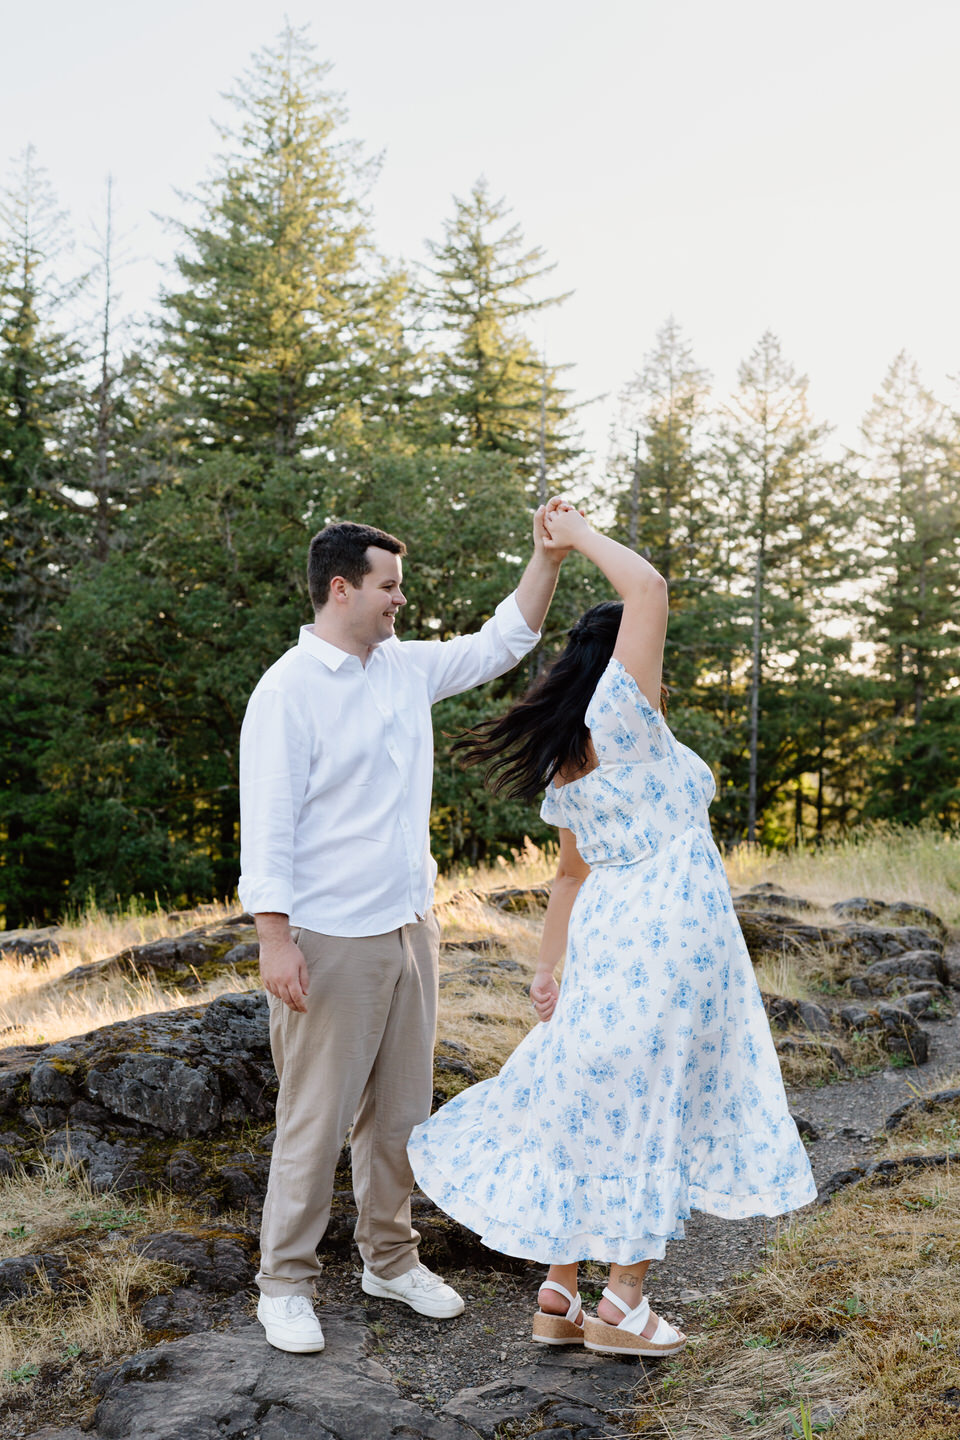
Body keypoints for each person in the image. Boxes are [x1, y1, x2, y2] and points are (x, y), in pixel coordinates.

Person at [407, 498, 817, 1359]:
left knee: (592, 1105)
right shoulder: (625, 716)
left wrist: (547, 968)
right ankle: (623, 1304)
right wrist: (576, 535)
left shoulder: (571, 759)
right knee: (649, 1111)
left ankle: (560, 1290)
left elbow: (567, 876)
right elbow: (650, 587)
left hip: (607, 944)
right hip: (668, 948)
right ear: (622, 659)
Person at [238, 512, 568, 1355]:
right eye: (388, 585)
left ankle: (389, 1259)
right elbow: (267, 829)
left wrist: (544, 555)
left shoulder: (402, 669)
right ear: (342, 588)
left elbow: (507, 638)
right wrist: (276, 941)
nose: (400, 599)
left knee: (402, 1118)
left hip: (408, 929)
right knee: (316, 1118)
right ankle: (284, 1284)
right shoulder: (287, 690)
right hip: (329, 936)